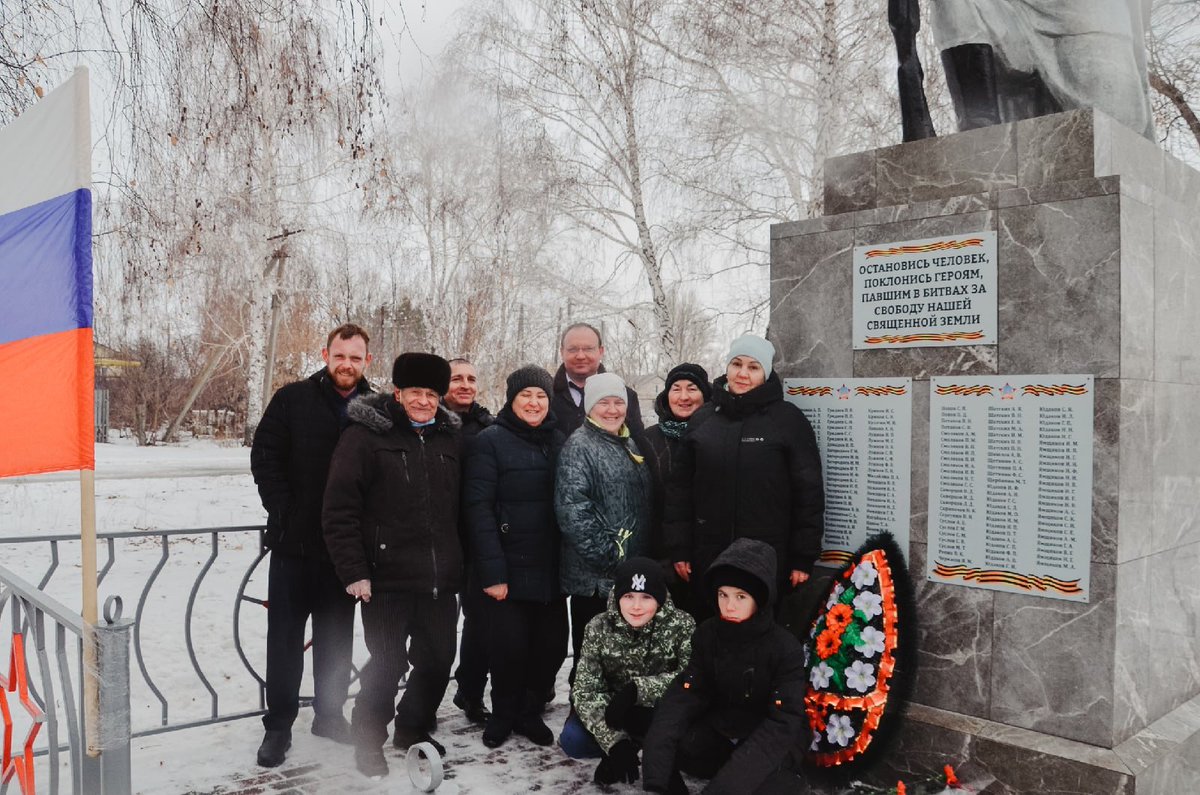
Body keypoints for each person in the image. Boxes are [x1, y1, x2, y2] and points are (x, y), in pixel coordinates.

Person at [322, 353, 463, 779]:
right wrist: (355, 571)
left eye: (432, 394)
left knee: (438, 660)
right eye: (415, 392)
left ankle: (411, 727)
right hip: (385, 580)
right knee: (386, 664)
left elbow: (463, 510)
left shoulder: (449, 442)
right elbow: (339, 510)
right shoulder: (364, 438)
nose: (424, 401)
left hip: (438, 581)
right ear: (397, 393)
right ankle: (368, 737)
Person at [249, 323, 372, 767]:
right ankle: (278, 726)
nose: (347, 365)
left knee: (336, 638)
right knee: (283, 638)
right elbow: (264, 455)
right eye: (340, 356)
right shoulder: (293, 399)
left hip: (343, 552)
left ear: (366, 362)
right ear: (326, 354)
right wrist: (283, 511)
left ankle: (329, 715)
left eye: (356, 358)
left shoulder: (375, 409)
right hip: (293, 547)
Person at [665, 334, 824, 621]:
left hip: (766, 555)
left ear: (765, 373)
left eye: (753, 367)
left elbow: (808, 493)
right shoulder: (703, 420)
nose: (742, 373)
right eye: (736, 364)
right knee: (711, 632)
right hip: (708, 553)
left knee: (759, 636)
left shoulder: (788, 421)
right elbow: (680, 491)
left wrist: (803, 556)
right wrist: (679, 548)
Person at [641, 539, 809, 795]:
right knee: (682, 743)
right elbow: (685, 695)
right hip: (725, 726)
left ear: (760, 599)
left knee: (772, 785)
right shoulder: (708, 635)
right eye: (723, 595)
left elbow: (783, 723)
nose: (729, 606)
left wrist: (721, 790)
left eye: (741, 596)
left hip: (771, 737)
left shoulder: (784, 649)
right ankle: (729, 768)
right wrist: (657, 780)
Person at [462, 365, 569, 748]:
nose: (534, 402)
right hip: (507, 567)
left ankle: (529, 709)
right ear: (512, 398)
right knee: (508, 648)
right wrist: (492, 572)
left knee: (552, 645)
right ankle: (504, 712)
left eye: (541, 396)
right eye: (526, 395)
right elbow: (478, 508)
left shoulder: (559, 440)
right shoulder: (490, 441)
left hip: (551, 569)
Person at [560, 557, 695, 788]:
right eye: (628, 596)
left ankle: (664, 760)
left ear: (660, 598)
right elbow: (584, 690)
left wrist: (638, 690)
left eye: (646, 597)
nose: (636, 606)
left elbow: (690, 678)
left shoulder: (683, 625)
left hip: (660, 715)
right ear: (617, 596)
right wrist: (614, 743)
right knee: (574, 739)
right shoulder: (598, 627)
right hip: (615, 713)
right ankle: (618, 752)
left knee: (694, 739)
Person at [555, 372, 652, 682]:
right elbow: (573, 511)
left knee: (618, 656)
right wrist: (610, 558)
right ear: (589, 407)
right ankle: (582, 720)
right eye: (603, 403)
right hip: (596, 579)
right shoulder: (580, 446)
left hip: (623, 574)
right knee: (592, 656)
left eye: (618, 402)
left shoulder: (626, 441)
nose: (612, 410)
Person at [442, 357, 494, 725]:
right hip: (438, 538)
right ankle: (422, 700)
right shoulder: (429, 421)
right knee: (437, 629)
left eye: (471, 378)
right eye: (456, 378)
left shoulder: (488, 426)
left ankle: (470, 692)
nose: (464, 384)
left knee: (480, 624)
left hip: (476, 538)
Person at [639, 363, 712, 616]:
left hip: (708, 555)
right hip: (659, 558)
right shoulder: (648, 440)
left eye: (692, 389)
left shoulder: (719, 436)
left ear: (705, 395)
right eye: (676, 388)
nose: (683, 397)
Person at [552, 322, 644, 436]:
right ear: (562, 352)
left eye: (588, 349)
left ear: (601, 351)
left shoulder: (626, 396)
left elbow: (637, 444)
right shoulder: (544, 397)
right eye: (573, 349)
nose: (580, 356)